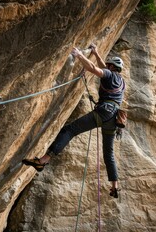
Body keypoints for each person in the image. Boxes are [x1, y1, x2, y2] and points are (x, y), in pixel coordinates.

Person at [23, 45, 126, 198]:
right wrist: (97, 53)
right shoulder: (120, 80)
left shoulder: (109, 75)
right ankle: (114, 186)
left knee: (70, 130)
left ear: (112, 67)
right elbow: (103, 67)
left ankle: (43, 161)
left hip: (104, 111)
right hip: (114, 119)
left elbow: (94, 68)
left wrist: (79, 55)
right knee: (108, 153)